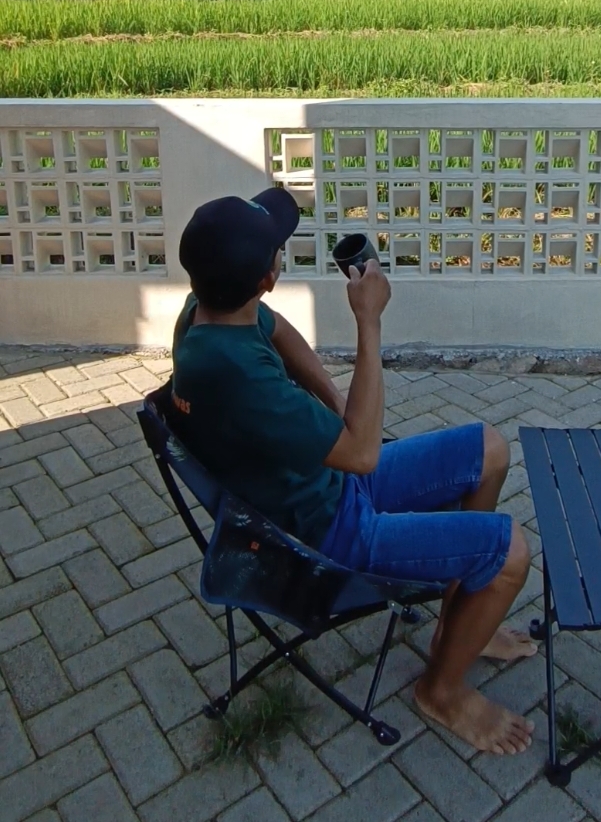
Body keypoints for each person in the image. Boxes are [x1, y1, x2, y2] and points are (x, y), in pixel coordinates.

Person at [171, 187, 535, 756]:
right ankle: (441, 690)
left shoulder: (206, 313)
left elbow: (276, 329)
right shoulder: (240, 378)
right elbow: (364, 455)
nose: (280, 256)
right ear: (268, 275)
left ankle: (455, 628)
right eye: (278, 250)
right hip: (331, 533)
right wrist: (369, 322)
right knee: (512, 552)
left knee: (489, 449)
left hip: (329, 484)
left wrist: (335, 405)